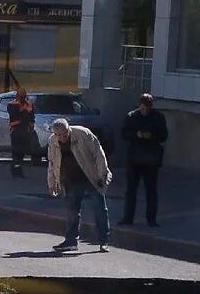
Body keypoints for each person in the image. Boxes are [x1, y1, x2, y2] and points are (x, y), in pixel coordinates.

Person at [47, 118, 112, 253]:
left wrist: (102, 174)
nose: (62, 137)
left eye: (64, 134)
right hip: (71, 179)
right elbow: (52, 163)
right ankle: (71, 241)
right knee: (72, 211)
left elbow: (99, 154)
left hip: (90, 176)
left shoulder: (83, 134)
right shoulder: (52, 141)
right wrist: (53, 182)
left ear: (69, 129)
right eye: (58, 135)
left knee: (100, 209)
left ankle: (103, 241)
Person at [119, 93, 169, 227]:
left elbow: (164, 136)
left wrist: (151, 136)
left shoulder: (158, 118)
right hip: (134, 158)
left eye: (147, 108)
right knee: (131, 190)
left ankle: (151, 219)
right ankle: (128, 218)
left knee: (151, 190)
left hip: (151, 158)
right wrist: (137, 134)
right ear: (139, 106)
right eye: (143, 108)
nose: (145, 110)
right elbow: (124, 134)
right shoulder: (132, 116)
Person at [7, 87, 34, 177]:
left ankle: (17, 168)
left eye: (23, 95)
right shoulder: (12, 104)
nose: (22, 97)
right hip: (15, 130)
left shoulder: (29, 104)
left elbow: (31, 116)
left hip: (25, 131)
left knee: (22, 151)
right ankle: (16, 170)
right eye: (20, 95)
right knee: (16, 151)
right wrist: (23, 108)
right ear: (17, 96)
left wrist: (31, 126)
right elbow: (14, 114)